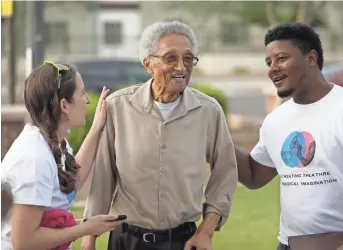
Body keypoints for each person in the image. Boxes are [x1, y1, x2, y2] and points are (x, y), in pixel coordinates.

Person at [81, 20, 238, 250]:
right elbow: (104, 175)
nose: (182, 67)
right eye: (170, 58)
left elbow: (225, 173)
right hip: (128, 241)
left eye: (188, 58)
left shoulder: (209, 111)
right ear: (147, 65)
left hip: (184, 242)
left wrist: (207, 230)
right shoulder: (118, 107)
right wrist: (89, 238)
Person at [235, 23, 343, 250]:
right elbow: (254, 176)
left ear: (311, 58)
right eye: (269, 62)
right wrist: (214, 139)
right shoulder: (276, 120)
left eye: (282, 58)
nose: (272, 68)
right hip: (290, 244)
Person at [1, 61, 125, 250]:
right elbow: (23, 242)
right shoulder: (34, 160)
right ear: (64, 105)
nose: (88, 100)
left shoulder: (52, 142)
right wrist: (85, 228)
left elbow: (71, 184)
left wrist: (97, 127)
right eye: (82, 93)